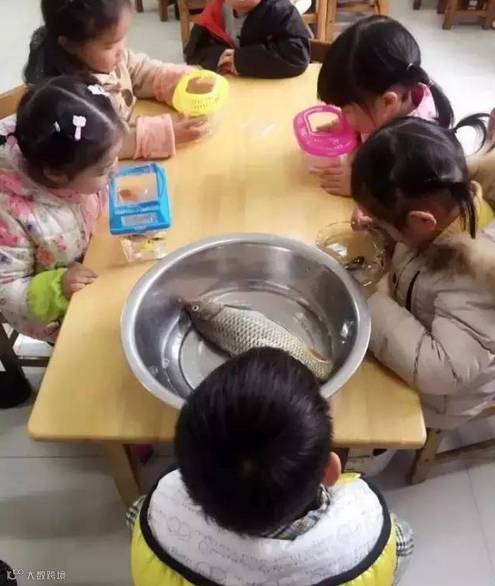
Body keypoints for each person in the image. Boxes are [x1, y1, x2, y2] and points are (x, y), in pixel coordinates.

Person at [128, 348, 413, 586]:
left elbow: (133, 516)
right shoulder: (367, 537)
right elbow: (403, 545)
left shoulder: (156, 518)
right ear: (330, 471)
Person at [351, 116, 495, 430]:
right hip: (410, 329)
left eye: (386, 222)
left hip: (443, 399)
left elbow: (440, 372)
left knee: (356, 410)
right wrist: (383, 227)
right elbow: (414, 255)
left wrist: (367, 303)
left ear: (421, 222)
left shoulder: (477, 279)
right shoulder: (446, 207)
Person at [0, 75, 123, 346]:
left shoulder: (74, 156)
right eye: (103, 169)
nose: (115, 169)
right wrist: (59, 287)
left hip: (98, 258)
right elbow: (6, 292)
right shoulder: (9, 214)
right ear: (56, 175)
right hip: (63, 310)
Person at [24, 0, 209, 160]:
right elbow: (104, 143)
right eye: (110, 45)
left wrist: (183, 81)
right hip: (103, 172)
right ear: (71, 46)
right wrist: (167, 133)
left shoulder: (111, 59)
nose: (122, 50)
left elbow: (142, 71)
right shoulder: (71, 99)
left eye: (123, 36)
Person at [316, 15, 453, 196]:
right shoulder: (398, 95)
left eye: (346, 110)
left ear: (388, 102)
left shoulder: (418, 149)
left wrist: (361, 187)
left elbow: (407, 196)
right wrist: (351, 129)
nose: (342, 115)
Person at [184, 0, 311, 79]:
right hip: (228, 90)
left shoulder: (281, 10)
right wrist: (220, 57)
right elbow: (192, 52)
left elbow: (298, 56)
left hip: (268, 92)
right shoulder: (214, 9)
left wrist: (239, 59)